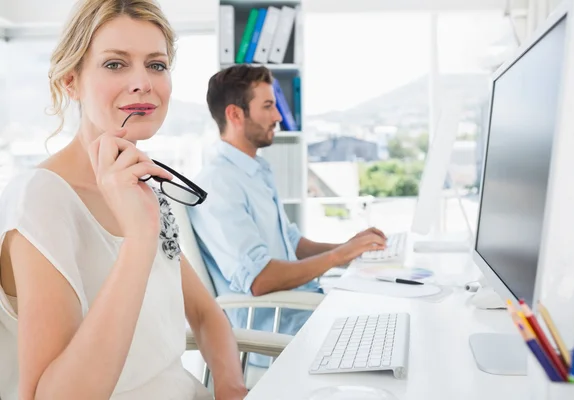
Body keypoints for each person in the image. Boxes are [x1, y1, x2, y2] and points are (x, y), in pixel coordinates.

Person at [0, 1, 247, 399]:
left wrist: (232, 388)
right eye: (115, 64)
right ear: (70, 81)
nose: (143, 82)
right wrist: (138, 239)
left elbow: (205, 315)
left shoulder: (142, 186)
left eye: (156, 64)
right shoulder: (41, 200)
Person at [187, 64, 387, 366]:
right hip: (272, 330)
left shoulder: (256, 170)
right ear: (235, 115)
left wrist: (350, 248)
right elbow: (259, 279)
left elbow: (291, 241)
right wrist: (338, 256)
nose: (278, 116)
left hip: (298, 310)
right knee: (382, 332)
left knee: (387, 315)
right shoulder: (218, 183)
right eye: (268, 106)